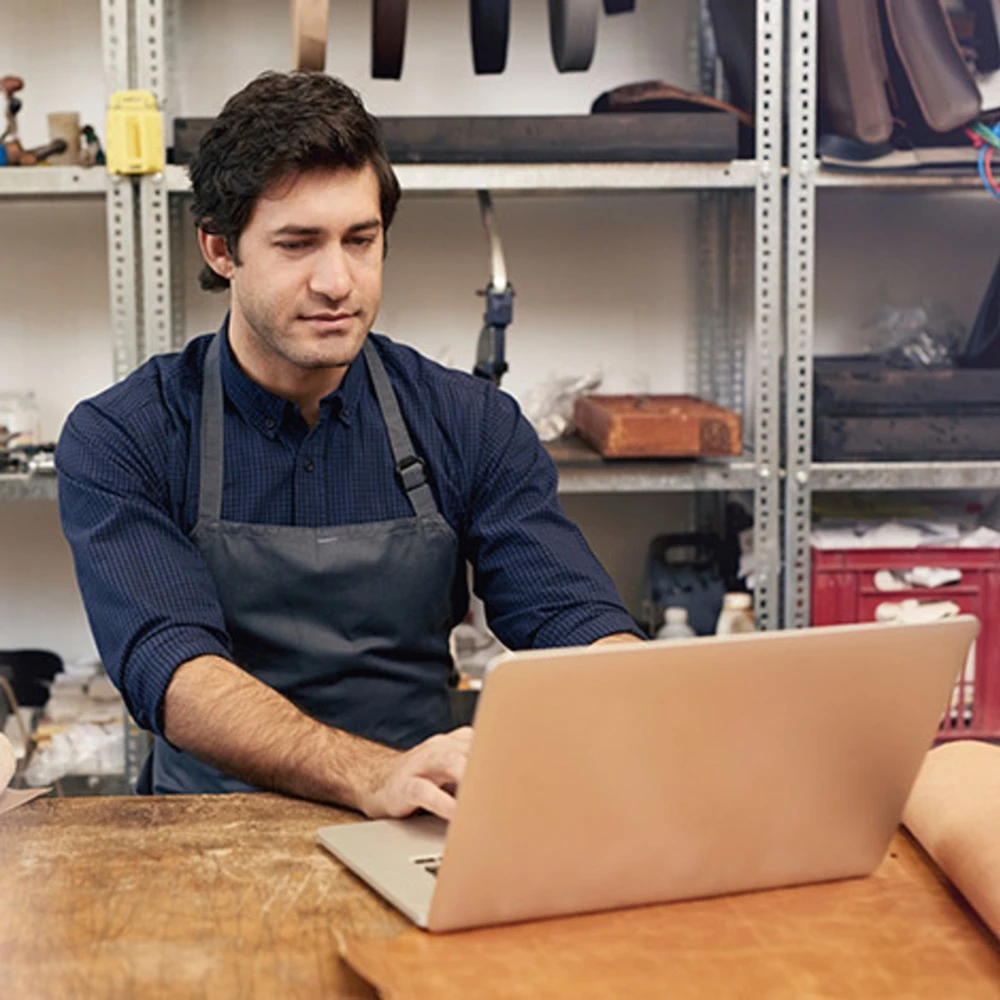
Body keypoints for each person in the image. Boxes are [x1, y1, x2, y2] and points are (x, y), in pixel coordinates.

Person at [57, 71, 641, 818]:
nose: (338, 281)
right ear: (220, 248)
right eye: (298, 244)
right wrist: (369, 775)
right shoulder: (128, 435)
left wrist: (636, 698)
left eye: (360, 241)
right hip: (209, 836)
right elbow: (173, 670)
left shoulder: (469, 423)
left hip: (421, 821)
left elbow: (569, 618)